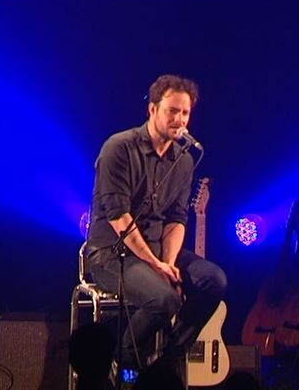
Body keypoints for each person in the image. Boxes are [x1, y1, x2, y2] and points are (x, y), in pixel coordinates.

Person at [85, 74, 227, 377]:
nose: (179, 119)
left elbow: (177, 218)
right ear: (152, 110)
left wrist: (168, 262)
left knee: (214, 280)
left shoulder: (185, 160)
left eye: (185, 113)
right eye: (172, 111)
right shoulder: (119, 148)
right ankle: (123, 357)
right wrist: (156, 266)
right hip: (112, 252)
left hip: (158, 250)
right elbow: (118, 217)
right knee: (164, 299)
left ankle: (170, 357)